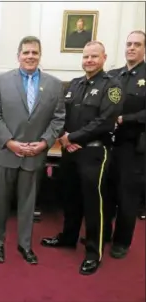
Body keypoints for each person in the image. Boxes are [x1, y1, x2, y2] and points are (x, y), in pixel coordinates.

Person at [41, 41, 124, 275]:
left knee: (93, 203)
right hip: (70, 150)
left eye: (94, 56)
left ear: (104, 58)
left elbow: (106, 121)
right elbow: (60, 115)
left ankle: (93, 251)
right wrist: (64, 137)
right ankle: (68, 237)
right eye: (86, 56)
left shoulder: (112, 86)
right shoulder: (74, 85)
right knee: (70, 197)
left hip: (94, 152)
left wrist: (73, 137)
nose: (89, 60)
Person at [0, 36, 65, 264]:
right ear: (18, 55)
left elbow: (58, 119)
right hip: (5, 152)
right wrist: (10, 142)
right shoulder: (1, 81)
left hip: (35, 154)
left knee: (28, 205)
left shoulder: (54, 84)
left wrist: (43, 143)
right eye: (26, 52)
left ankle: (25, 245)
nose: (30, 56)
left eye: (35, 52)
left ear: (40, 55)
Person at [106, 30, 145, 259]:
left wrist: (125, 119)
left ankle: (122, 242)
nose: (131, 48)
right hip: (109, 143)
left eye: (137, 44)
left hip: (134, 145)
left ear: (144, 48)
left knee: (127, 196)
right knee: (107, 192)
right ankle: (104, 235)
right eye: (129, 44)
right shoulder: (113, 75)